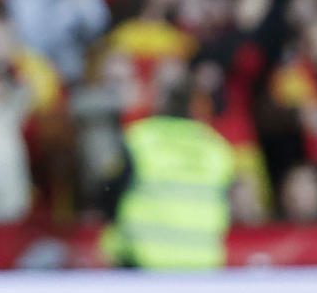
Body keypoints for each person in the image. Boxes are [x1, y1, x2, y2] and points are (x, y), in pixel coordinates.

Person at [101, 83, 236, 270]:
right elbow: (229, 204)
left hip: (142, 259)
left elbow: (108, 192)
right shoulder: (216, 148)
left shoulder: (140, 138)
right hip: (201, 261)